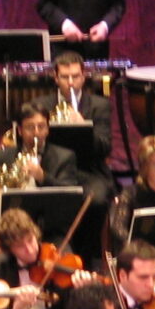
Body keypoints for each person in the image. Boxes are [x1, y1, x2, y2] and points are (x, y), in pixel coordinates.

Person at [39, 49, 115, 206]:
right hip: (53, 169)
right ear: (55, 78)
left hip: (88, 170)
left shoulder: (99, 105)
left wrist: (84, 127)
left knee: (97, 200)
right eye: (64, 77)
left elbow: (104, 148)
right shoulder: (41, 106)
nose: (70, 83)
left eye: (75, 76)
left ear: (83, 76)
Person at [110, 136, 155, 252]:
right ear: (145, 168)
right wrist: (133, 249)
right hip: (142, 254)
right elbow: (118, 228)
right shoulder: (131, 194)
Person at [0, 103, 82, 192]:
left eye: (41, 126)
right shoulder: (1, 157)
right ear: (20, 130)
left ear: (47, 129)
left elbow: (69, 191)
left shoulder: (64, 157)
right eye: (30, 127)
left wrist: (42, 177)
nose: (36, 132)